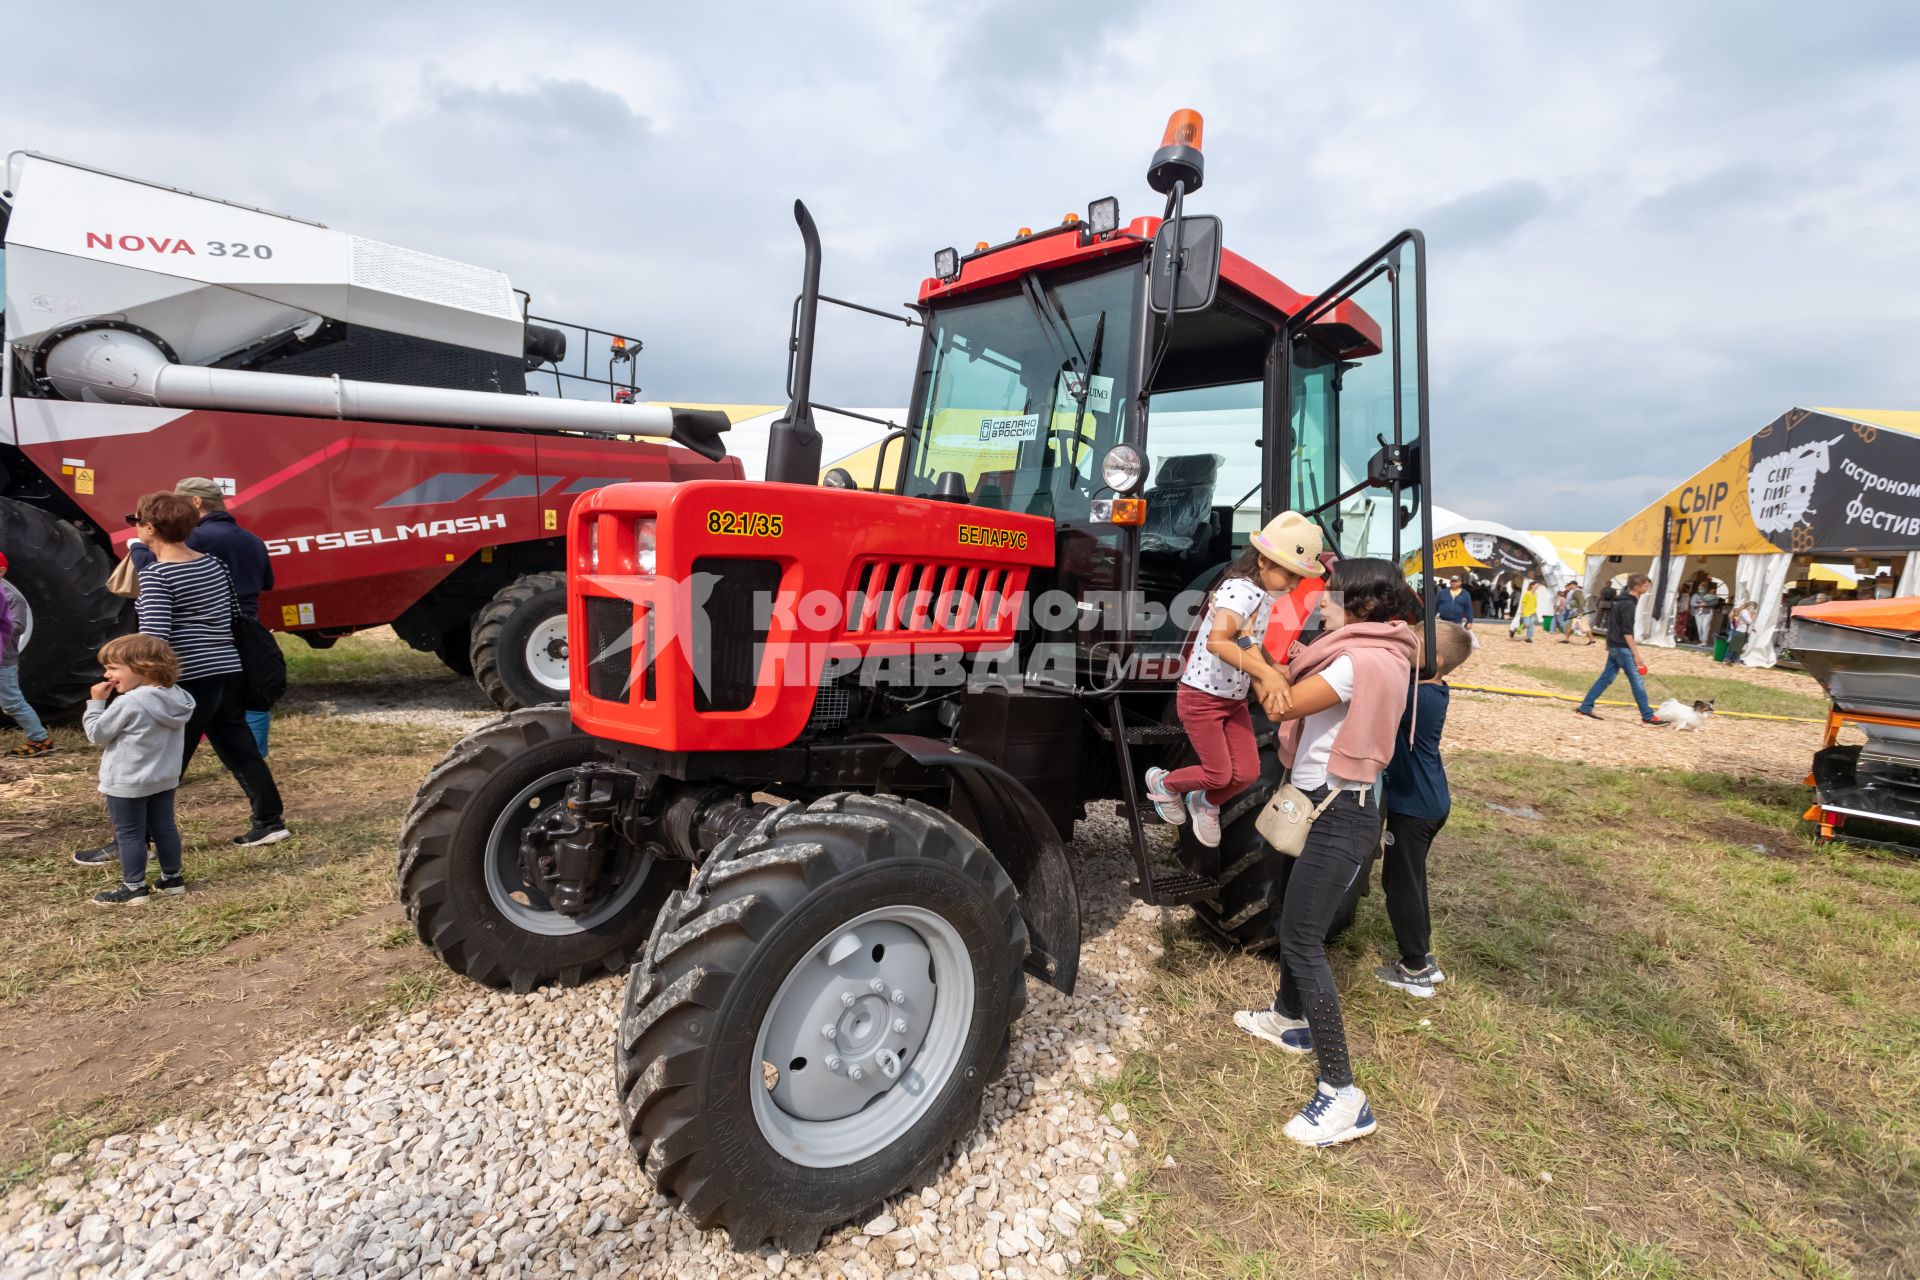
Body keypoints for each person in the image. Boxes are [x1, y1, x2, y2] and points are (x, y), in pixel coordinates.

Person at [1231, 557, 1420, 1147]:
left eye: (1333, 595)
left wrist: (1250, 655)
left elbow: (1282, 708)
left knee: (1303, 940)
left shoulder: (1354, 661)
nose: (1320, 602)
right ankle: (1290, 1020)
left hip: (1337, 812)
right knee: (1289, 913)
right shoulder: (1385, 652)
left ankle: (1344, 1093)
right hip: (1323, 798)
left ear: (1363, 605)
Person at [73, 492, 288, 868]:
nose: (135, 526)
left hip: (188, 677)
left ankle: (136, 839)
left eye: (136, 520)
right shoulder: (214, 565)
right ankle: (269, 820)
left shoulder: (158, 574)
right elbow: (233, 613)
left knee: (156, 762)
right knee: (239, 747)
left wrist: (134, 681)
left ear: (150, 528)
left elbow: (154, 643)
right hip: (227, 667)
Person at [1144, 513, 1323, 847]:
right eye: (1290, 574)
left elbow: (1247, 640)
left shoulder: (1263, 597)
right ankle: (1164, 784)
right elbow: (1218, 641)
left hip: (1233, 698)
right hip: (1202, 698)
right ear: (1264, 561)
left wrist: (1274, 666)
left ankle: (1204, 802)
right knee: (1218, 773)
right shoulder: (1239, 590)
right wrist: (1266, 673)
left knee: (1247, 773)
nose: (1295, 585)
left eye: (1300, 578)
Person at [129, 477, 276, 756]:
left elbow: (157, 572)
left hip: (204, 632)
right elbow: (267, 582)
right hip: (246, 627)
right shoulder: (253, 539)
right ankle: (257, 753)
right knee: (251, 692)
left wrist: (137, 548)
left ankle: (175, 765)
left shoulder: (193, 540)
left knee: (198, 706)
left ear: (195, 503)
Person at [1376, 620, 1473, 998]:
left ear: (1437, 659)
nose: (1403, 644)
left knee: (1400, 883)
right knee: (1411, 879)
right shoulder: (1429, 690)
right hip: (1428, 801)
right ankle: (1419, 958)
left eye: (1412, 642)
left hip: (1414, 806)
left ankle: (1416, 966)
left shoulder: (1415, 696)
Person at [83, 635, 196, 906]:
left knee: (129, 833)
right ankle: (172, 879)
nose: (106, 674)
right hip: (163, 777)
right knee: (164, 828)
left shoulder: (130, 702)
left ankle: (133, 887)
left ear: (142, 667)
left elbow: (96, 734)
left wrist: (96, 703)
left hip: (127, 781)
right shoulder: (178, 697)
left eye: (113, 668)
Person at [1575, 574, 1665, 724]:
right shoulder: (1629, 604)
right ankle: (1648, 716)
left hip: (1615, 646)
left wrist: (1609, 643)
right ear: (1637, 587)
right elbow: (1626, 631)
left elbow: (1612, 623)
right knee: (1637, 681)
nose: (1648, 588)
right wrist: (1636, 654)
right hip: (1622, 648)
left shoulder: (1622, 601)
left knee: (1605, 679)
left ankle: (1585, 707)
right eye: (1645, 586)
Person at [0, 551, 56, 757]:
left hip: (3, 660)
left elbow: (18, 626)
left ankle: (41, 739)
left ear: (2, 571)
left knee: (12, 703)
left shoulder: (11, 597)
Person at [1723, 600, 1756, 665]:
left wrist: (1752, 628)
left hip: (1743, 631)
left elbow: (1749, 623)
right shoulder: (1744, 611)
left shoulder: (1745, 612)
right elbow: (1749, 621)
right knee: (1733, 645)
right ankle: (1727, 658)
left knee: (1738, 646)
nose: (1752, 608)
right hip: (1739, 630)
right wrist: (1753, 616)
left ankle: (1733, 660)